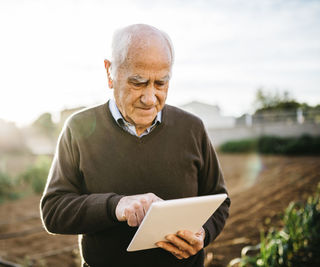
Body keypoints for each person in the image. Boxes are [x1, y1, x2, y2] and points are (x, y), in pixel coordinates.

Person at [40, 24, 230, 267]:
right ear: (110, 73)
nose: (150, 98)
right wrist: (115, 206)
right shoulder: (78, 128)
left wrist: (204, 233)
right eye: (138, 83)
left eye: (161, 83)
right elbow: (54, 211)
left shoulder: (192, 128)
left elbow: (219, 200)